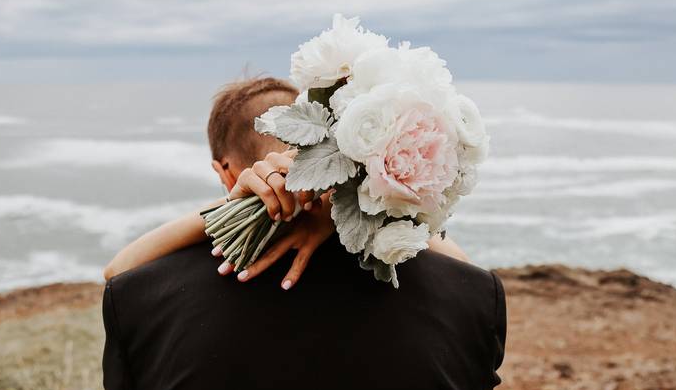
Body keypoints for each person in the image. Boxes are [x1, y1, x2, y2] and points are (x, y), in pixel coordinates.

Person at [101, 77, 507, 390]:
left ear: (226, 174)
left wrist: (248, 203)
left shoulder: (140, 298)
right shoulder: (470, 298)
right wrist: (357, 199)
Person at [103, 77, 470, 289]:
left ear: (224, 171)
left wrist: (330, 200)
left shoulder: (204, 266)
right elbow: (466, 269)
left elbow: (116, 272)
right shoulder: (375, 244)